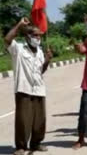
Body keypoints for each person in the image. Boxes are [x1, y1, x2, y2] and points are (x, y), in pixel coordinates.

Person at [4, 17, 52, 155]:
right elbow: (7, 40)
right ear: (27, 36)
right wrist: (19, 25)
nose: (38, 38)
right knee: (23, 121)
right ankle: (21, 146)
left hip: (39, 89)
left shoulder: (40, 51)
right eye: (35, 35)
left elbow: (40, 71)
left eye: (40, 36)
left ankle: (36, 143)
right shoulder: (18, 49)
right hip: (23, 89)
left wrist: (47, 61)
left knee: (40, 120)